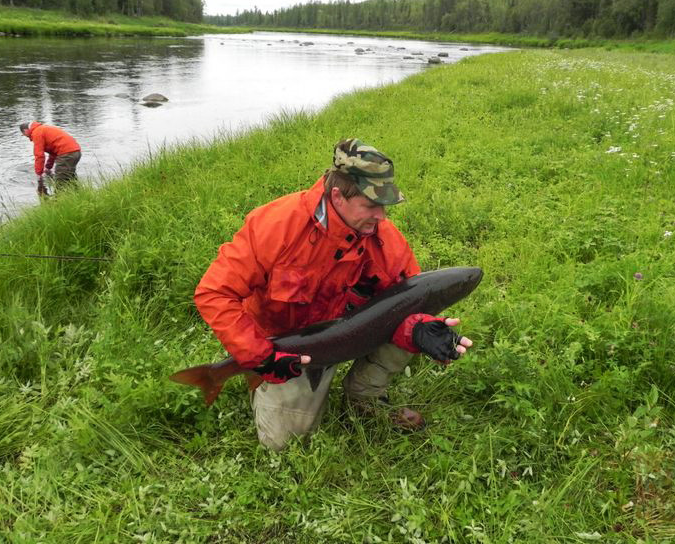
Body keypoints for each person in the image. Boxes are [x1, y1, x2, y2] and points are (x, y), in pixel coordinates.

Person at [194, 138, 473, 451]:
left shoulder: (382, 237)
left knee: (407, 323)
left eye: (384, 206)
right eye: (371, 205)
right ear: (337, 196)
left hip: (349, 331)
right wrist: (261, 356)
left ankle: (366, 397)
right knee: (283, 443)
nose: (381, 215)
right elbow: (214, 293)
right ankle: (260, 383)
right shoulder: (275, 225)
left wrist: (421, 328)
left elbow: (410, 297)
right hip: (287, 347)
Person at [19, 121, 82, 191]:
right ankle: (77, 194)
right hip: (76, 152)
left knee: (60, 182)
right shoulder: (43, 129)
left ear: (25, 131)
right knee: (70, 177)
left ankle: (58, 199)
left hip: (66, 154)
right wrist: (48, 167)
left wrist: (38, 175)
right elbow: (53, 152)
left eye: (24, 134)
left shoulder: (36, 133)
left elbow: (39, 156)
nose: (27, 137)